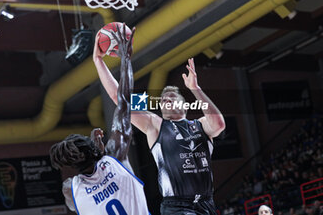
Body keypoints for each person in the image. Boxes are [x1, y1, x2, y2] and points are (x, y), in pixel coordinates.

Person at [93, 26, 225, 214]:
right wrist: (98, 61)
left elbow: (219, 124)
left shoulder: (201, 124)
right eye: (163, 99)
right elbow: (118, 98)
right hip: (177, 206)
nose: (167, 100)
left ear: (185, 105)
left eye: (172, 97)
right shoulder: (155, 124)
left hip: (207, 204)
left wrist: (195, 89)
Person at [49, 24, 150, 215]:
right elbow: (124, 102)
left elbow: (76, 191)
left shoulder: (71, 190)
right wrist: (124, 59)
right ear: (93, 150)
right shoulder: (115, 157)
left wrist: (98, 154)